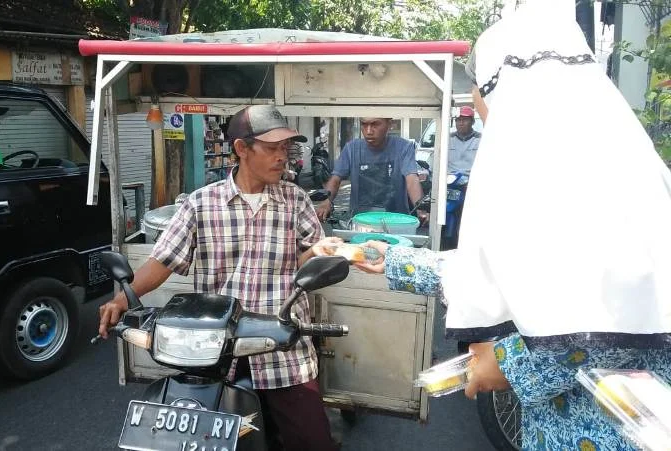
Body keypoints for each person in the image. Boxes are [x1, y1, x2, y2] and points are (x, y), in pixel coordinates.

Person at [318, 1, 671, 449]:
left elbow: (609, 321)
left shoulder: (594, 179)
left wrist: (504, 363)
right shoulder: (590, 168)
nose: (487, 120)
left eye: (485, 104)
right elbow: (518, 272)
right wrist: (391, 259)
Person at [98, 105, 339, 451]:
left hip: (282, 347)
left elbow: (304, 264)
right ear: (242, 149)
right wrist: (122, 299)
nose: (282, 157)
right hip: (216, 352)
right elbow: (163, 261)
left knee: (313, 442)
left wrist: (318, 252)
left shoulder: (296, 201)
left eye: (285, 148)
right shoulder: (200, 204)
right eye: (272, 148)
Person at [314, 118, 426, 222]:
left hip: (397, 221)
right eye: (364, 124)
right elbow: (336, 178)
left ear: (389, 124)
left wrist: (421, 208)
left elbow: (412, 179)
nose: (368, 131)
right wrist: (326, 201)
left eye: (375, 124)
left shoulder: (404, 147)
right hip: (360, 221)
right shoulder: (351, 148)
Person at [447, 106, 481, 175]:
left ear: (473, 122)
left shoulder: (480, 139)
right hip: (450, 178)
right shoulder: (447, 139)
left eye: (465, 120)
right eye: (458, 120)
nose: (461, 123)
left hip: (473, 178)